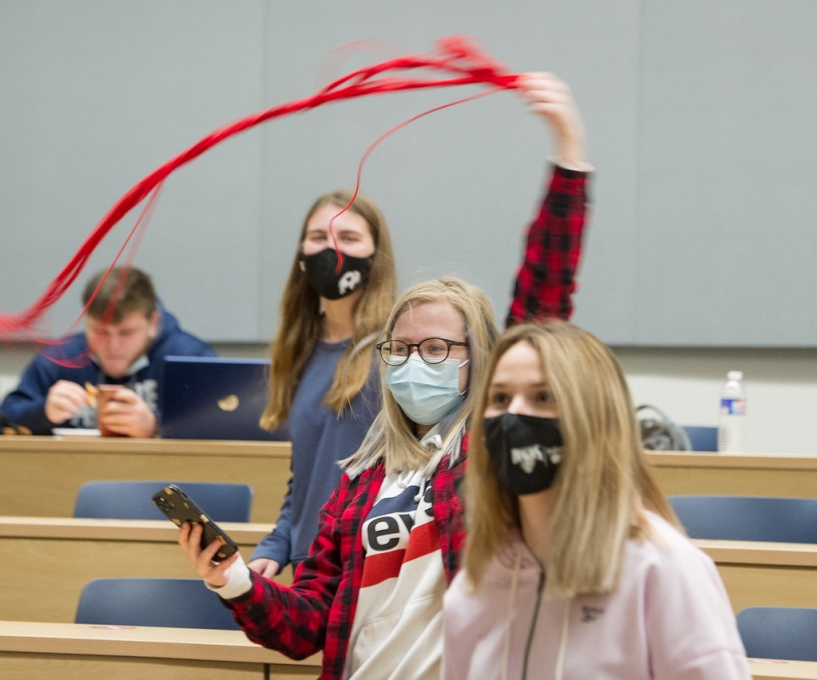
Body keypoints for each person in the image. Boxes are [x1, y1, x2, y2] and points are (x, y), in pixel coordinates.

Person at [179, 72, 592, 680]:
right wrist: (235, 581)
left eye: (435, 347)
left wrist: (568, 151)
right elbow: (309, 626)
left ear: (479, 359)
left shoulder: (488, 454)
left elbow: (544, 295)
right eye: (398, 350)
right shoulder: (359, 481)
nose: (411, 363)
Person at [443, 321, 750, 679]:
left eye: (543, 397)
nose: (514, 415)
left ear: (593, 418)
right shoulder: (476, 585)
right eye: (500, 399)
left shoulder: (663, 569)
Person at [248, 188, 397, 577]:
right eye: (318, 238)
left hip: (372, 567)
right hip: (310, 569)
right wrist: (280, 540)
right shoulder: (300, 351)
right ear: (302, 255)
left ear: (375, 255)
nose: (332, 250)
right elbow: (311, 473)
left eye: (348, 238)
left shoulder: (399, 350)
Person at [0, 266, 215, 436]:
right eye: (101, 332)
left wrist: (155, 426)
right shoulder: (61, 358)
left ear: (153, 323)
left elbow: (225, 421)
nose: (112, 346)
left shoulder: (188, 357)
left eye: (126, 333)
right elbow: (2, 418)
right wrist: (42, 412)